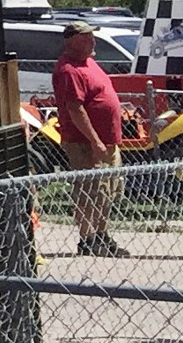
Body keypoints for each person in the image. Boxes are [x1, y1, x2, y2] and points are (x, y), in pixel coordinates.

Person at [52, 23, 128, 257]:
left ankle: (102, 235)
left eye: (92, 37)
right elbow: (75, 109)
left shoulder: (89, 63)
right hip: (85, 142)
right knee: (89, 189)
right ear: (70, 42)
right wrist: (94, 141)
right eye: (86, 38)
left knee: (107, 189)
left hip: (107, 140)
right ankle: (88, 238)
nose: (93, 42)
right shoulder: (68, 70)